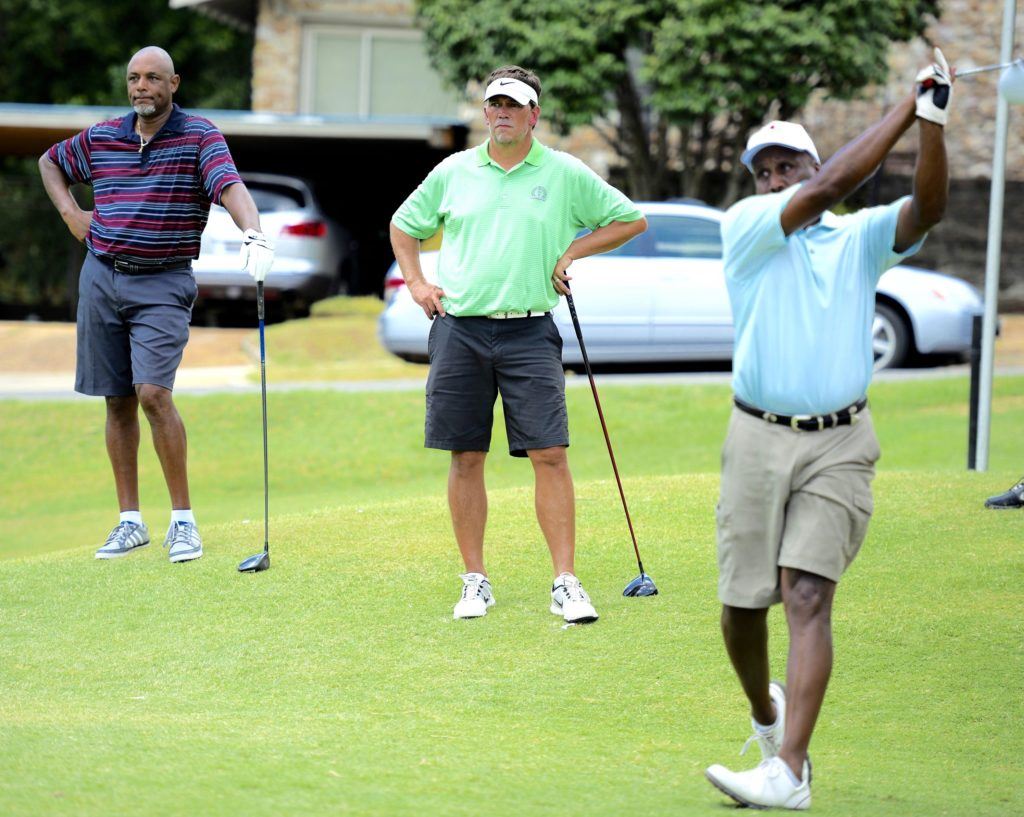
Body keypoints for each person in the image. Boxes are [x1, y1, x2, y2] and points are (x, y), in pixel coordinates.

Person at [704, 49, 952, 809]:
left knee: (807, 593)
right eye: (764, 169)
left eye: (788, 165)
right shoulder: (746, 227)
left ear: (808, 162)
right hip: (756, 435)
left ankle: (793, 770)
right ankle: (765, 714)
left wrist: (933, 124)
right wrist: (906, 108)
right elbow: (832, 185)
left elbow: (928, 210)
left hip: (840, 441)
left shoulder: (857, 238)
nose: (775, 178)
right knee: (742, 606)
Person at [390, 65, 647, 623]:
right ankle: (475, 580)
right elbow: (404, 225)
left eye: (514, 105)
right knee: (466, 455)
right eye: (494, 105)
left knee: (550, 454)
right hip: (459, 328)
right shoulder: (455, 170)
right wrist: (415, 282)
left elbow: (630, 219)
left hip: (530, 329)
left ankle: (565, 582)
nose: (502, 113)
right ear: (485, 113)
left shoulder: (563, 172)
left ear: (534, 114)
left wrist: (570, 253)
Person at [38, 46, 274, 563]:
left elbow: (229, 187)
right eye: (133, 78)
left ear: (174, 84)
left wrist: (253, 233)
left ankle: (184, 523)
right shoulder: (103, 137)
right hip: (101, 277)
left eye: (152, 78)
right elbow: (50, 162)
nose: (141, 86)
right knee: (116, 398)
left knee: (152, 393)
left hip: (163, 282)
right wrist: (72, 214)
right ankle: (130, 522)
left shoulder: (198, 136)